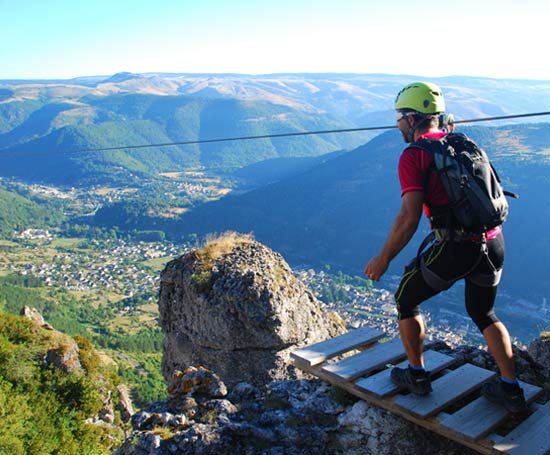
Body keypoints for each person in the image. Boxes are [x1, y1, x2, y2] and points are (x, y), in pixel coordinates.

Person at [364, 82, 527, 413]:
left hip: (456, 247)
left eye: (398, 117)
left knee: (406, 299)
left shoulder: (414, 155)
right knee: (484, 312)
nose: (396, 124)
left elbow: (408, 217)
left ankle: (417, 376)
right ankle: (512, 390)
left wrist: (383, 259)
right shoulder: (462, 142)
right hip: (494, 241)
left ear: (412, 118)